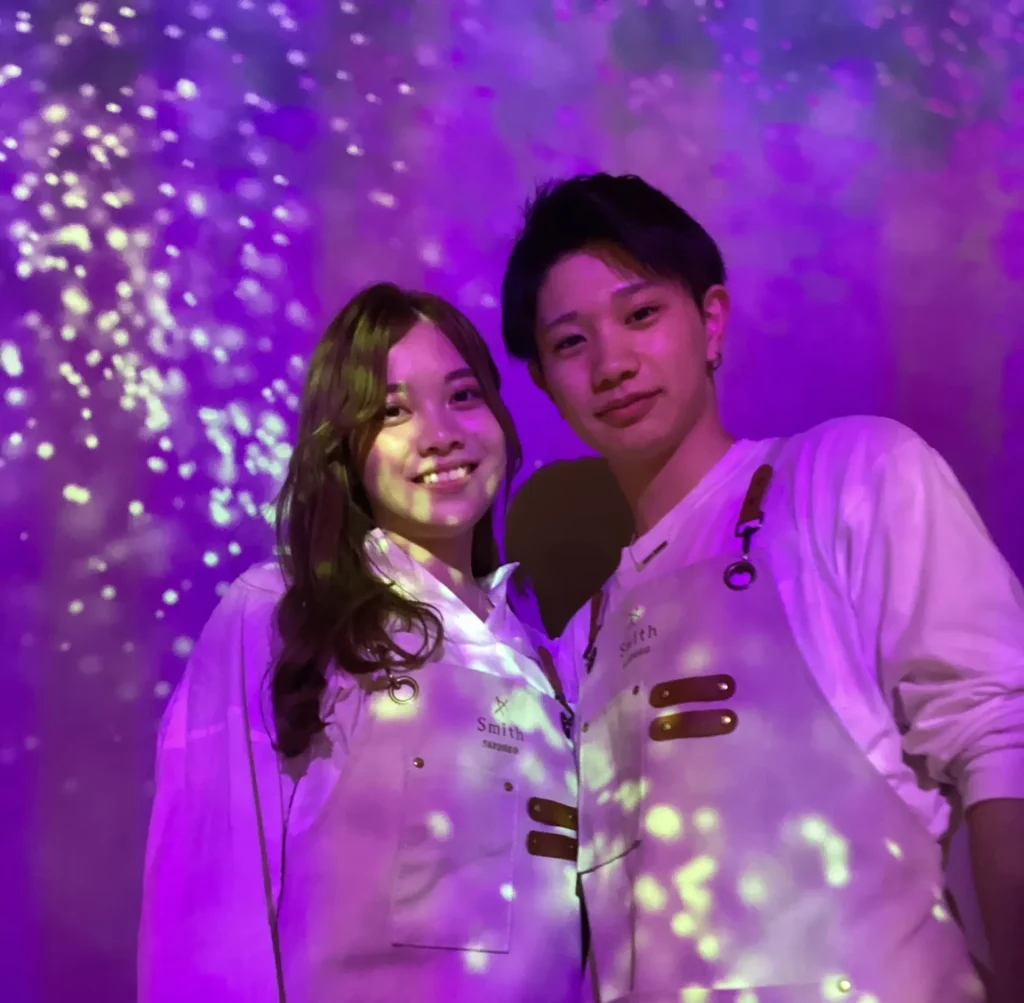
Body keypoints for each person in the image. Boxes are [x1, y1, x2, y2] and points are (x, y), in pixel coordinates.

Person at [500, 173, 1024, 1003]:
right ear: (543, 382)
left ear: (711, 320)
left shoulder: (850, 477)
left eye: (641, 314)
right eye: (571, 342)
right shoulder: (578, 642)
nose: (613, 363)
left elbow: (999, 736)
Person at [138, 283, 582, 1003]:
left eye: (463, 395)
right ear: (345, 447)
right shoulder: (282, 613)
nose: (440, 433)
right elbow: (206, 907)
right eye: (393, 411)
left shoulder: (547, 654)